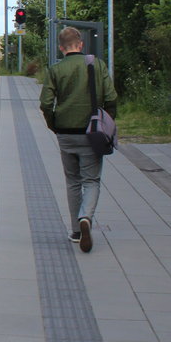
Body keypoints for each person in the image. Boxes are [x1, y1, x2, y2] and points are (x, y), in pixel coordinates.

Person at [39, 27, 117, 253]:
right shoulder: (97, 65)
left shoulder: (55, 70)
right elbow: (111, 98)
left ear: (61, 48)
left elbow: (45, 103)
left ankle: (75, 230)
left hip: (65, 132)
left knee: (72, 181)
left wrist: (53, 124)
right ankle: (86, 217)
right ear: (80, 45)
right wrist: (108, 122)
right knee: (91, 180)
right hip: (91, 133)